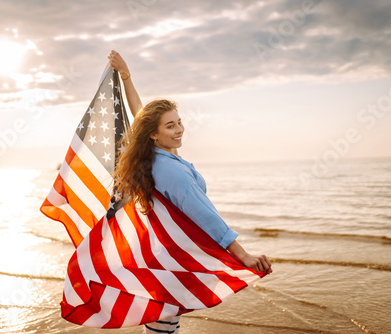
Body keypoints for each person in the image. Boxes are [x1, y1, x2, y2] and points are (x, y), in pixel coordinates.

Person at [108, 50, 272, 334]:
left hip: (162, 256)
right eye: (170, 126)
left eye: (179, 122)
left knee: (162, 326)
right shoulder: (170, 169)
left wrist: (126, 76)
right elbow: (204, 214)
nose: (179, 129)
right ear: (154, 133)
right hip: (171, 260)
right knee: (163, 327)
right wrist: (242, 254)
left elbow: (139, 115)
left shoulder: (155, 155)